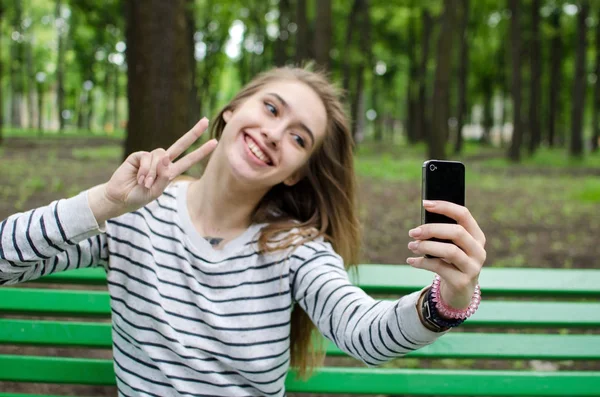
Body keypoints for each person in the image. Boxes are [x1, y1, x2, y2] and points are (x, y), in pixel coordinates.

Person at [0, 66, 486, 397]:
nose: (276, 134)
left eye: (299, 138)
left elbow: (363, 332)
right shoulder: (132, 215)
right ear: (232, 111)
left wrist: (449, 298)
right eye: (271, 110)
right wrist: (104, 202)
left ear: (296, 172)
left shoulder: (297, 249)